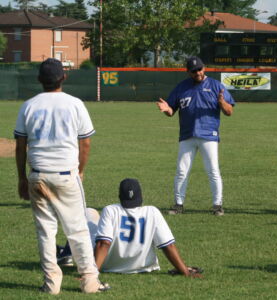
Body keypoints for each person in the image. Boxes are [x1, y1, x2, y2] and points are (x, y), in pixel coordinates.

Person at [14, 58, 108, 294]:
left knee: (46, 232)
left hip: (38, 174)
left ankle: (51, 283)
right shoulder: (75, 104)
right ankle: (89, 281)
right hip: (66, 173)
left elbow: (20, 145)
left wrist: (22, 178)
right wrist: (81, 169)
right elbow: (85, 143)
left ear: (39, 80)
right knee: (77, 229)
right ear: (63, 78)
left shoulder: (29, 105)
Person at [57, 178, 201, 277]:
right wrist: (185, 271)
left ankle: (66, 254)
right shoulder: (152, 212)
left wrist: (92, 275)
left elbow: (103, 243)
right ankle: (66, 253)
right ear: (141, 196)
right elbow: (168, 246)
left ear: (119, 196)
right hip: (144, 267)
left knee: (88, 213)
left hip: (109, 265)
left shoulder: (111, 210)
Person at [156, 56, 235, 216]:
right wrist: (166, 109)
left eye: (199, 69)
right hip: (187, 135)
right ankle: (178, 204)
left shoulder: (215, 86)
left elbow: (229, 112)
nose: (197, 73)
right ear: (188, 72)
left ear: (204, 68)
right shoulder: (182, 87)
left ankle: (217, 205)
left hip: (209, 134)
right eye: (194, 71)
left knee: (213, 170)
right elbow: (172, 111)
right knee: (181, 171)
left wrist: (222, 103)